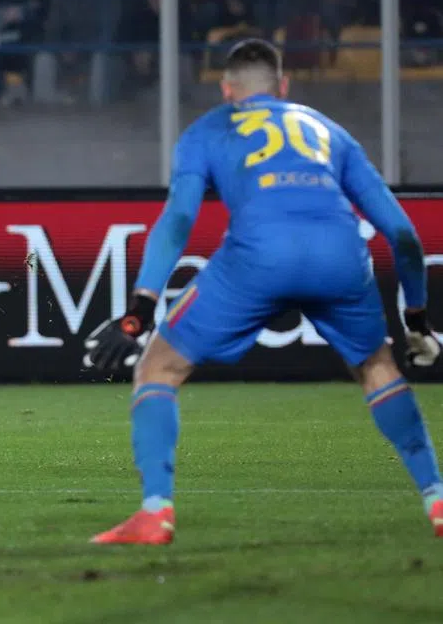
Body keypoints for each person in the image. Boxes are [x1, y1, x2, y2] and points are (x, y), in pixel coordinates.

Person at [83, 39, 442, 545]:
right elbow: (402, 234)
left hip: (259, 257)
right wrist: (418, 319)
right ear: (284, 86)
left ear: (228, 90)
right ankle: (437, 499)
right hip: (340, 255)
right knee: (378, 368)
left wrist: (140, 308)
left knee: (158, 367)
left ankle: (155, 512)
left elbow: (180, 216)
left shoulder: (206, 131)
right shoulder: (330, 133)